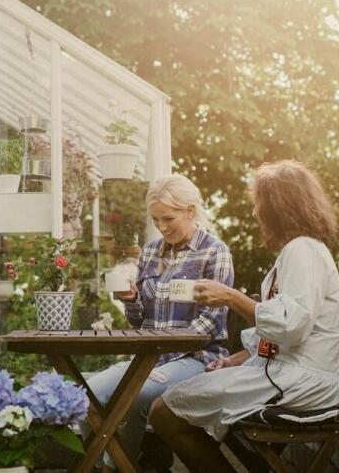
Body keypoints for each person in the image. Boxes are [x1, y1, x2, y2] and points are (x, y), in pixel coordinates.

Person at [149, 160, 339, 473]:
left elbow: (290, 326)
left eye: (259, 204)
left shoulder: (303, 251)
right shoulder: (298, 251)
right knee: (174, 405)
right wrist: (233, 361)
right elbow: (282, 334)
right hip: (287, 374)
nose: (256, 213)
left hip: (299, 382)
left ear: (277, 207)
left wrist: (230, 297)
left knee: (164, 411)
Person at [83, 173, 234, 472]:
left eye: (169, 218)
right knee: (85, 395)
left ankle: (116, 467)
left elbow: (211, 326)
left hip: (196, 358)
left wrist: (160, 355)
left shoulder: (215, 253)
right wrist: (130, 299)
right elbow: (141, 320)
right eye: (156, 220)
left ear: (190, 211)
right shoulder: (151, 251)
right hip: (150, 359)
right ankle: (103, 463)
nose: (162, 227)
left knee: (137, 396)